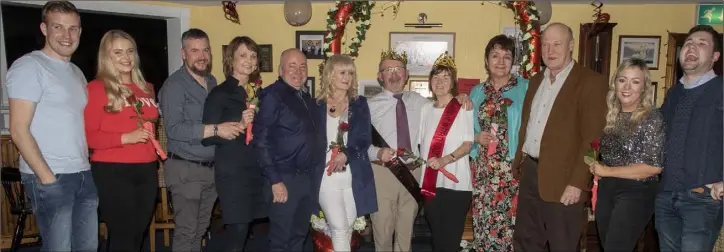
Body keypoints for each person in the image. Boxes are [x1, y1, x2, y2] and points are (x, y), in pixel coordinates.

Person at [6, 1, 98, 251]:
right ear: (44, 28)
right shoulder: (29, 66)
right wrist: (47, 178)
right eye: (58, 27)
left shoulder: (77, 72)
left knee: (88, 247)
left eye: (73, 29)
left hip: (82, 173)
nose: (67, 36)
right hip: (51, 175)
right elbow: (18, 129)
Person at [511, 22, 609, 252]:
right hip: (530, 175)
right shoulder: (536, 81)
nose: (550, 50)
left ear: (571, 45)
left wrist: (577, 183)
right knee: (525, 243)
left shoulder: (590, 82)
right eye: (545, 44)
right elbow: (527, 126)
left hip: (564, 181)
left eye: (557, 44)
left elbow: (592, 140)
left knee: (562, 244)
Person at [367, 49, 472, 252]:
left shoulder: (421, 102)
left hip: (414, 173)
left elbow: (444, 106)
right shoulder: (369, 106)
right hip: (383, 173)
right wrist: (377, 153)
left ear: (406, 75)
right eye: (388, 69)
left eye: (399, 69)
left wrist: (462, 97)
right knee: (383, 231)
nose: (395, 73)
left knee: (406, 233)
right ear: (380, 76)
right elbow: (358, 142)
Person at [159, 28, 243, 252]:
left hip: (211, 169)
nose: (202, 55)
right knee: (187, 232)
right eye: (194, 50)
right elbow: (174, 129)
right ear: (183, 53)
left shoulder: (213, 81)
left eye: (205, 50)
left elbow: (220, 120)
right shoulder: (174, 85)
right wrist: (216, 129)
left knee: (200, 230)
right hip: (185, 168)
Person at [84, 29, 160, 252]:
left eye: (130, 51)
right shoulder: (97, 88)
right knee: (123, 236)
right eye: (118, 52)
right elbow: (88, 136)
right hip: (113, 170)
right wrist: (126, 138)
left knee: (138, 234)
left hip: (146, 168)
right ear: (106, 57)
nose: (126, 57)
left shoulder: (147, 89)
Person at [656, 24, 723, 252]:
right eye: (688, 43)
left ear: (715, 56)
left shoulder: (721, 90)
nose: (692, 47)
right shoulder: (674, 94)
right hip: (666, 196)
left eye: (701, 44)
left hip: (702, 198)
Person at [588, 58, 664, 251]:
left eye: (635, 81)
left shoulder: (652, 118)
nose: (627, 86)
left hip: (637, 190)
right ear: (615, 83)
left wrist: (606, 171)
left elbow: (654, 167)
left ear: (644, 87)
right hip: (607, 188)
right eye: (622, 80)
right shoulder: (610, 116)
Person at [201, 36, 268, 252]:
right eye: (243, 55)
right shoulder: (220, 93)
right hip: (233, 172)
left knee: (249, 231)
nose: (249, 60)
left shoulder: (256, 93)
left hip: (254, 169)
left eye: (253, 55)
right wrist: (239, 124)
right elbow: (207, 136)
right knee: (237, 234)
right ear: (231, 59)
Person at [253, 48, 322, 252]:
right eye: (292, 66)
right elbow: (261, 141)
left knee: (299, 237)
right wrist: (275, 181)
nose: (298, 71)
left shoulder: (306, 98)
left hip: (306, 181)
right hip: (284, 180)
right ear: (280, 69)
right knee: (281, 241)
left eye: (302, 66)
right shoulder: (273, 96)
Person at [469, 34, 528, 251]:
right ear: (486, 60)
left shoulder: (526, 88)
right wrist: (476, 137)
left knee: (512, 225)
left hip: (513, 170)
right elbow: (465, 129)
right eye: (495, 56)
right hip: (483, 170)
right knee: (484, 222)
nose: (501, 62)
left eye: (507, 56)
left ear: (513, 61)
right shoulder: (476, 93)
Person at [313, 54, 377, 251]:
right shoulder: (316, 105)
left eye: (351, 73)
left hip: (353, 176)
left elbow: (365, 139)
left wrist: (346, 153)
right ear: (330, 75)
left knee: (348, 227)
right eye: (342, 72)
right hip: (325, 176)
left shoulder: (359, 104)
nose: (347, 77)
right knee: (340, 228)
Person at [418, 52, 474, 252]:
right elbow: (422, 147)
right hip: (431, 185)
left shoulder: (462, 106)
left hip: (456, 185)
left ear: (453, 83)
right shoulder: (425, 110)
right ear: (430, 82)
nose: (440, 82)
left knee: (449, 243)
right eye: (436, 77)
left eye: (445, 77)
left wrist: (445, 160)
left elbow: (468, 144)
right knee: (437, 241)